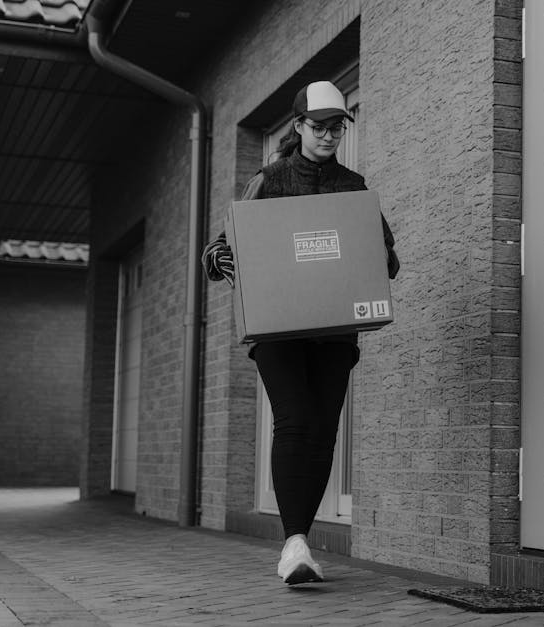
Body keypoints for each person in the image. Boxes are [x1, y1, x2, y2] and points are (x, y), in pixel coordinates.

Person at [202, 80, 399, 585]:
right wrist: (222, 259)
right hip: (279, 333)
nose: (329, 135)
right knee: (295, 420)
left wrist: (376, 258)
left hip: (335, 335)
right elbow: (223, 248)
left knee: (322, 430)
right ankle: (293, 543)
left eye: (337, 126)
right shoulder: (267, 180)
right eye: (319, 126)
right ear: (298, 127)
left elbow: (387, 259)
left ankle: (301, 542)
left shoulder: (354, 186)